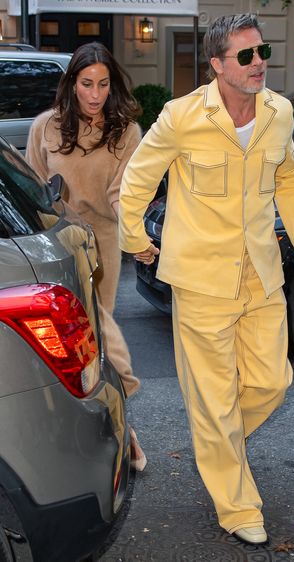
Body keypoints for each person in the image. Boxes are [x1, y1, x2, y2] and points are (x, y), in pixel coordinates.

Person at [118, 13, 294, 543]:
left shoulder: (279, 112)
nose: (260, 64)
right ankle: (238, 509)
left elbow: (290, 175)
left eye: (263, 53)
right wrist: (133, 236)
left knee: (274, 382)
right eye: (246, 56)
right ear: (216, 64)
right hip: (202, 279)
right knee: (213, 400)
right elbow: (140, 175)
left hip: (260, 273)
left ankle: (217, 442)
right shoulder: (183, 116)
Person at [26, 41, 147, 472]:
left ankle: (121, 422)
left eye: (103, 84)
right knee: (78, 342)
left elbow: (121, 196)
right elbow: (37, 192)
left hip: (103, 245)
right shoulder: (45, 127)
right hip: (58, 244)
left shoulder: (126, 132)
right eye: (86, 84)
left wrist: (138, 236)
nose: (95, 94)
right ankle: (119, 425)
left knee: (94, 333)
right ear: (72, 84)